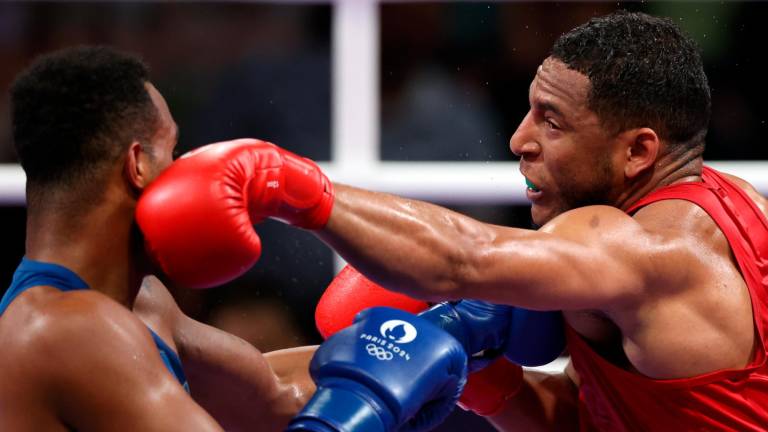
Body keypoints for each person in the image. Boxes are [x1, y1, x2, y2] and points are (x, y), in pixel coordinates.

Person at [139, 10, 768, 430]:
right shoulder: (739, 206)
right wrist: (498, 389)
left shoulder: (629, 245)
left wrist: (290, 186)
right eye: (529, 111)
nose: (520, 139)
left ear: (639, 152)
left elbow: (461, 258)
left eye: (552, 121)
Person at [0, 46, 317, 431]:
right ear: (138, 164)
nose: (182, 168)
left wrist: (399, 345)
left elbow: (277, 393)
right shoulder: (66, 329)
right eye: (173, 151)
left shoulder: (143, 302)